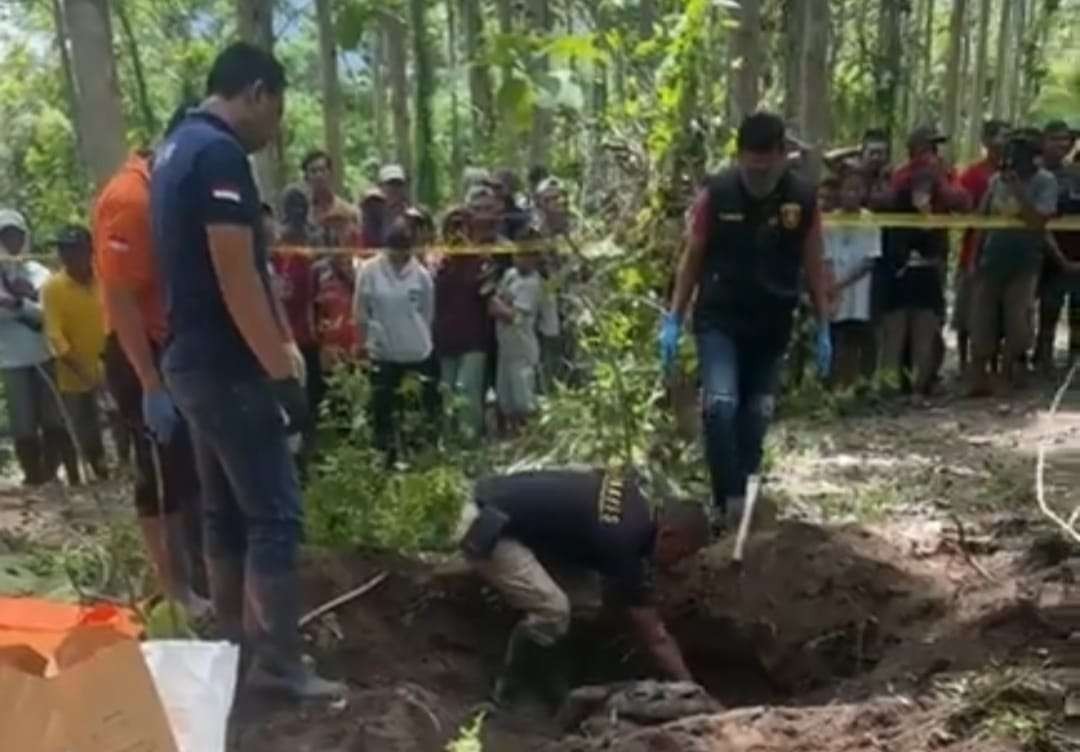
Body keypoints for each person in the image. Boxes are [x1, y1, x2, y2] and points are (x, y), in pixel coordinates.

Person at [151, 42, 342, 698]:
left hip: (190, 360)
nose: (276, 125)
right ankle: (280, 664)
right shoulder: (219, 154)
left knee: (224, 513)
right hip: (227, 366)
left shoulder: (174, 147)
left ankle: (231, 647)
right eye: (277, 108)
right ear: (256, 91)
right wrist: (281, 374)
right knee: (275, 513)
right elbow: (236, 276)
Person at [659, 112, 831, 528]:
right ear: (739, 157)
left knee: (757, 413)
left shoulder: (802, 199)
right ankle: (729, 501)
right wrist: (674, 317)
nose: (756, 173)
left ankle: (746, 489)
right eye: (749, 163)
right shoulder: (716, 194)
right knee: (720, 406)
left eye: (765, 164)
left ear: (780, 156)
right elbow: (692, 258)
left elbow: (814, 264)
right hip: (720, 317)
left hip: (772, 320)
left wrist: (825, 324)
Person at [459, 467, 708, 708]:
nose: (678, 563)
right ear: (668, 535)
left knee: (586, 603)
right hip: (487, 526)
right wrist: (691, 688)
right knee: (553, 611)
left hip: (506, 507)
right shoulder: (624, 542)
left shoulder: (636, 500)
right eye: (681, 554)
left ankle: (558, 674)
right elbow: (655, 636)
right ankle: (509, 687)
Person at [93, 111, 210, 617]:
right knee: (158, 472)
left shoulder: (169, 192)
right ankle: (175, 589)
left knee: (186, 470)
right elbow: (119, 296)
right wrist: (149, 382)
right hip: (139, 350)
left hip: (174, 346)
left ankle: (196, 577)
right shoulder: (131, 198)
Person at [968, 128, 1060, 395]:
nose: (1014, 157)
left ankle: (1006, 373)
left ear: (1033, 155)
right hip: (992, 259)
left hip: (1025, 263)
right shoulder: (996, 180)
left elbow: (1038, 222)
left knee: (1017, 323)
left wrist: (1019, 190)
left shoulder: (1046, 182)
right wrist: (974, 257)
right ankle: (979, 377)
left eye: (1020, 151)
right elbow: (982, 221)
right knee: (982, 320)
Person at [354, 217, 438, 459]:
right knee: (384, 415)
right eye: (394, 249)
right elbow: (360, 312)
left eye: (404, 250)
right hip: (383, 354)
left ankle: (417, 457)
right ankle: (386, 459)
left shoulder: (421, 275)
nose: (399, 256)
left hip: (416, 353)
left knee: (416, 413)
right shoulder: (369, 271)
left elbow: (427, 313)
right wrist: (362, 346)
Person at [0, 209, 66, 486]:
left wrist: (19, 303)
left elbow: (48, 313)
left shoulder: (39, 272)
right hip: (11, 358)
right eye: (5, 236)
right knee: (23, 422)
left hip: (42, 352)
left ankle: (53, 471)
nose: (12, 241)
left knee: (52, 417)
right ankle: (32, 476)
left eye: (16, 235)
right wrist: (16, 304)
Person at [41, 226, 107, 483]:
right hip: (72, 372)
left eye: (75, 250)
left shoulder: (105, 279)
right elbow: (55, 336)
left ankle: (113, 471)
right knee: (78, 426)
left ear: (89, 251)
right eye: (64, 250)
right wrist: (82, 370)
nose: (69, 256)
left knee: (120, 422)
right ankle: (77, 478)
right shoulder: (52, 288)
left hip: (111, 365)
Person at [435, 188, 498, 440]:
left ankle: (471, 442)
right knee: (448, 395)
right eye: (453, 227)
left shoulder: (482, 262)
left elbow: (488, 296)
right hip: (445, 340)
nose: (458, 233)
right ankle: (452, 448)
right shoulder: (438, 264)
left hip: (473, 341)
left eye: (463, 226)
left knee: (467, 391)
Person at [272, 186, 322, 469]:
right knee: (287, 406)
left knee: (308, 404)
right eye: (291, 208)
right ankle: (291, 461)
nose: (296, 214)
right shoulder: (272, 257)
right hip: (278, 339)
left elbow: (315, 298)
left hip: (306, 337)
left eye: (301, 207)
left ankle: (308, 458)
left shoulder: (309, 254)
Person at [956, 120, 1010, 372]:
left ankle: (996, 364)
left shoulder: (1016, 173)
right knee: (968, 310)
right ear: (987, 142)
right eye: (1001, 137)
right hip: (974, 251)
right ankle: (965, 363)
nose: (1005, 142)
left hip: (1006, 253)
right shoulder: (973, 174)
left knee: (998, 313)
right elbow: (963, 209)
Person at [825, 170, 881, 388]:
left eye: (857, 189)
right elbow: (826, 257)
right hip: (835, 292)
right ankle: (837, 385)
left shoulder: (871, 220)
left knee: (862, 338)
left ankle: (863, 385)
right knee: (838, 338)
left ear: (864, 192)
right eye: (847, 189)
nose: (852, 194)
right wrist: (831, 288)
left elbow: (870, 261)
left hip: (860, 293)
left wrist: (840, 284)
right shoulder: (829, 221)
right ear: (840, 192)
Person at [1034, 120, 1080, 372]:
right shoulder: (1034, 174)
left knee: (1077, 311)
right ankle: (1041, 358)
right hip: (1046, 256)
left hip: (1076, 255)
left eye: (1067, 139)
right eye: (1056, 138)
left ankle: (1073, 363)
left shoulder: (1075, 174)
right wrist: (1059, 258)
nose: (1063, 144)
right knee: (1046, 311)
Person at [490, 234, 546, 432]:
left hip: (522, 348)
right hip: (506, 347)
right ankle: (514, 435)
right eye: (518, 254)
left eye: (526, 256)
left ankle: (532, 434)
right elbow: (496, 297)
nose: (520, 259)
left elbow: (512, 315)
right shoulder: (511, 275)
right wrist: (498, 303)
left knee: (523, 399)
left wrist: (497, 305)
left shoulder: (533, 284)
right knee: (506, 399)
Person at [302, 149, 360, 247]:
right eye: (313, 171)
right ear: (306, 177)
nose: (319, 175)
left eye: (322, 170)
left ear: (330, 173)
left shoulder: (347, 211)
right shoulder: (302, 212)